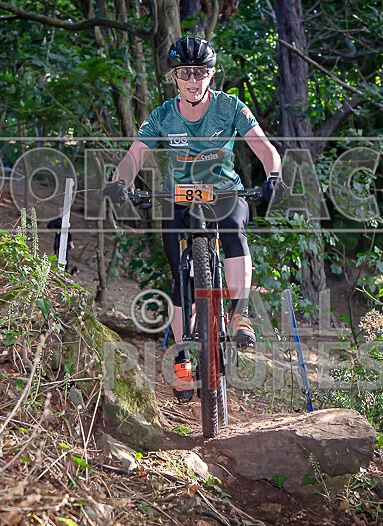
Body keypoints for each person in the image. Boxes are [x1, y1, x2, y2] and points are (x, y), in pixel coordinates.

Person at [104, 35, 282, 402]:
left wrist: (273, 177)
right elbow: (135, 154)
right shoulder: (162, 116)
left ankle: (240, 317)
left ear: (210, 76)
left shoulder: (230, 108)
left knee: (234, 229)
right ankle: (183, 360)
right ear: (175, 77)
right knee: (179, 279)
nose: (192, 79)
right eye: (185, 73)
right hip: (178, 199)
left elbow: (264, 148)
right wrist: (120, 181)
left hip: (224, 193)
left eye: (199, 72)